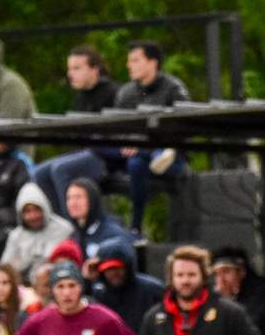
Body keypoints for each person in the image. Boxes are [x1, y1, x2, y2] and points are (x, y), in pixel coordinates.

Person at [135, 245, 265, 335]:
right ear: (171, 278)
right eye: (179, 275)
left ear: (203, 276)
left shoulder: (228, 311)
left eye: (191, 275)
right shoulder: (154, 317)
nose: (185, 281)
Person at [30, 45, 123, 217]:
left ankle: (75, 223)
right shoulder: (81, 98)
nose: (70, 74)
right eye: (69, 69)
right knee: (38, 173)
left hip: (106, 157)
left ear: (94, 69)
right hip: (83, 153)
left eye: (76, 68)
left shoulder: (114, 93)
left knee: (60, 169)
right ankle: (61, 220)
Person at [112, 40, 190, 229]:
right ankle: (153, 153)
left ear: (152, 63)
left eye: (135, 60)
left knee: (139, 163)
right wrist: (131, 142)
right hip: (136, 155)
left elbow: (183, 129)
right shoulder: (126, 93)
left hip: (172, 158)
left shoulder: (174, 89)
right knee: (104, 148)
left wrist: (140, 145)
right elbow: (116, 127)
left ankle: (136, 226)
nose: (129, 65)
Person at [88, 234, 164, 334]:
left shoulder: (153, 290)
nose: (113, 273)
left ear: (128, 266)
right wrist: (87, 280)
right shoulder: (99, 293)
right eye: (108, 269)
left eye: (117, 267)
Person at [0, 181, 73, 276]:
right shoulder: (16, 236)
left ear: (45, 208)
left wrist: (22, 260)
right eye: (27, 211)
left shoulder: (63, 229)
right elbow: (5, 269)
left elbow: (53, 260)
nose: (33, 216)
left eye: (37, 209)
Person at [211, 246, 265, 335]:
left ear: (241, 272)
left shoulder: (262, 292)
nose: (221, 280)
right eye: (216, 274)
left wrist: (228, 301)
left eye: (226, 271)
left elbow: (251, 331)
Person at [63, 176, 136, 257]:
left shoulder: (112, 233)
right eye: (69, 198)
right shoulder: (73, 236)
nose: (72, 203)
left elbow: (127, 254)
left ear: (92, 199)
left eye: (78, 197)